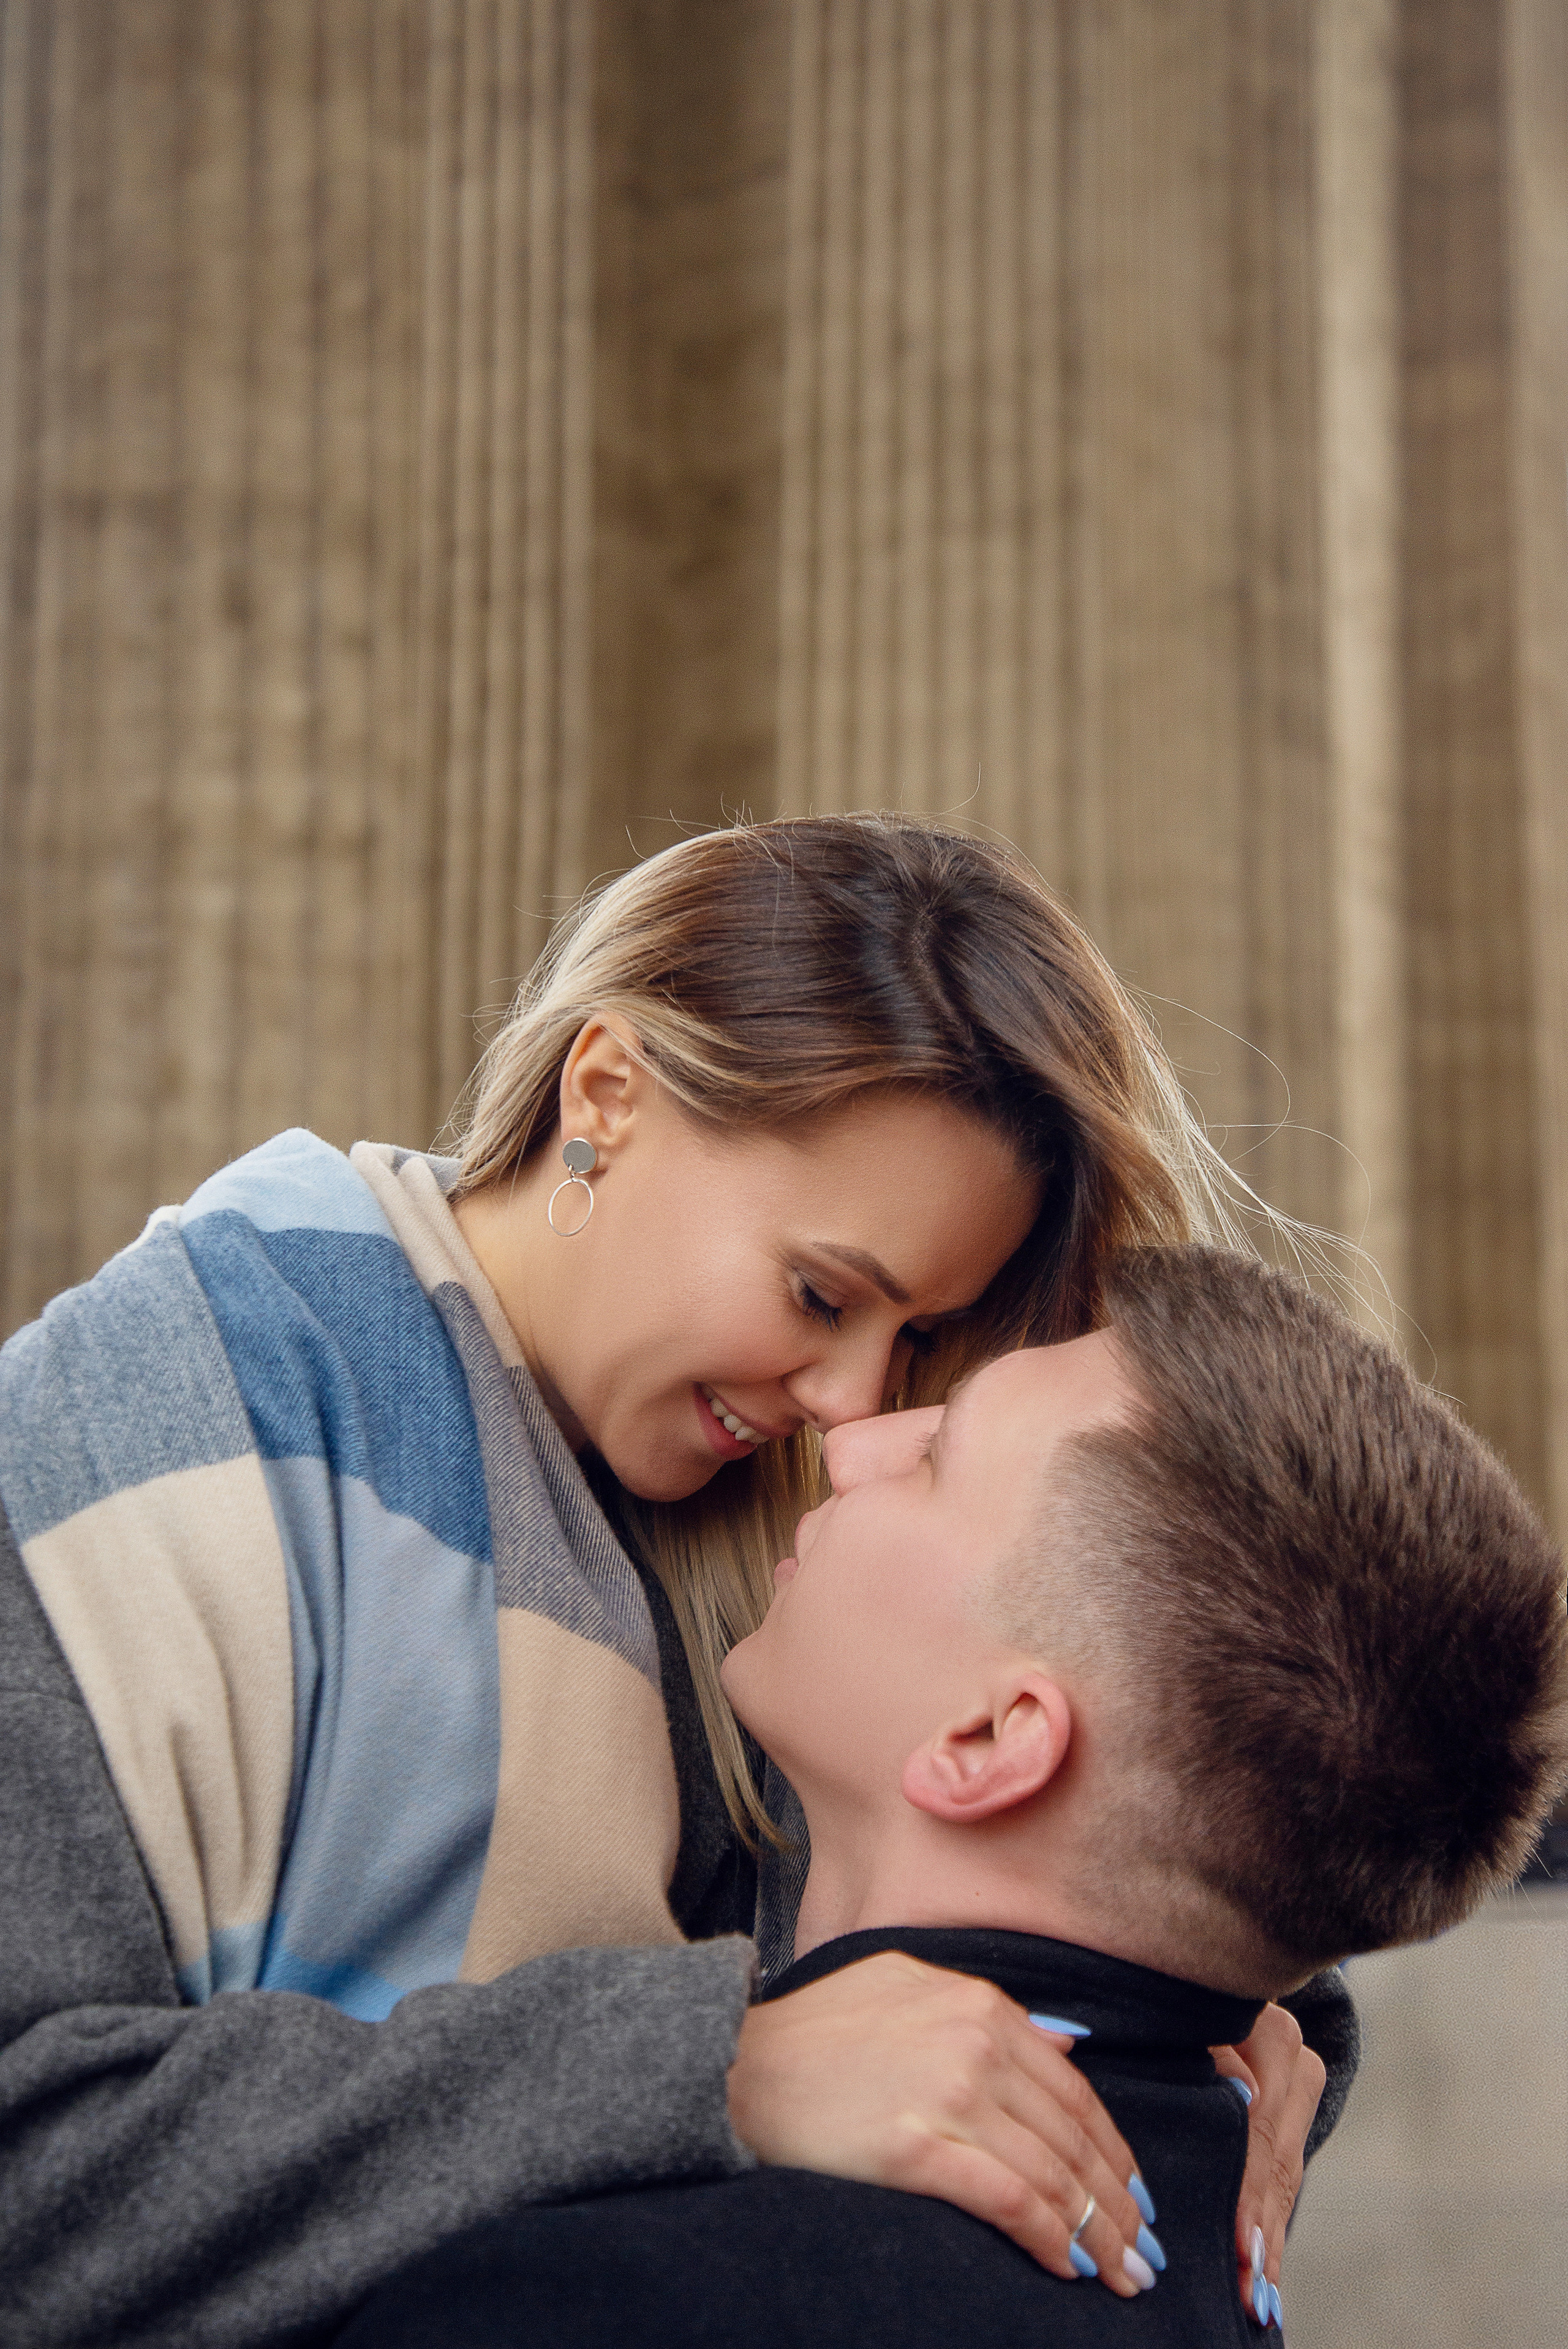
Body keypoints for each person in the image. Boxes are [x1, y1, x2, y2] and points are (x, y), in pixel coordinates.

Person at [0, 819, 1334, 2345]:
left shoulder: (780, 1514)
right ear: (605, 1096)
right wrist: (710, 2070)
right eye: (820, 1294)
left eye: (915, 1337)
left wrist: (1199, 2008)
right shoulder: (156, 1421)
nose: (852, 1403)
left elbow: (985, 1863)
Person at [336, 1245, 1568, 2349]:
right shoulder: (1207, 2246)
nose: (848, 1440)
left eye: (935, 1458)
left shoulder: (583, 2300)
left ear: (988, 1739)